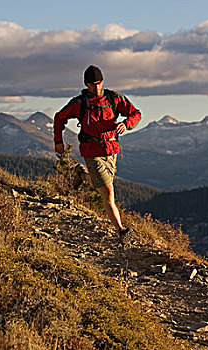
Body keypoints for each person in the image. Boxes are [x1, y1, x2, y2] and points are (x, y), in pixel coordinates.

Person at [53, 65, 142, 245]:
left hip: (111, 150)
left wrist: (127, 123)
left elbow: (136, 113)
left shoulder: (113, 98)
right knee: (108, 191)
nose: (97, 87)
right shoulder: (80, 102)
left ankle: (83, 176)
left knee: (102, 183)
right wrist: (58, 141)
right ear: (86, 84)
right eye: (93, 84)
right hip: (91, 150)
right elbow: (59, 117)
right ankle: (122, 231)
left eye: (99, 83)